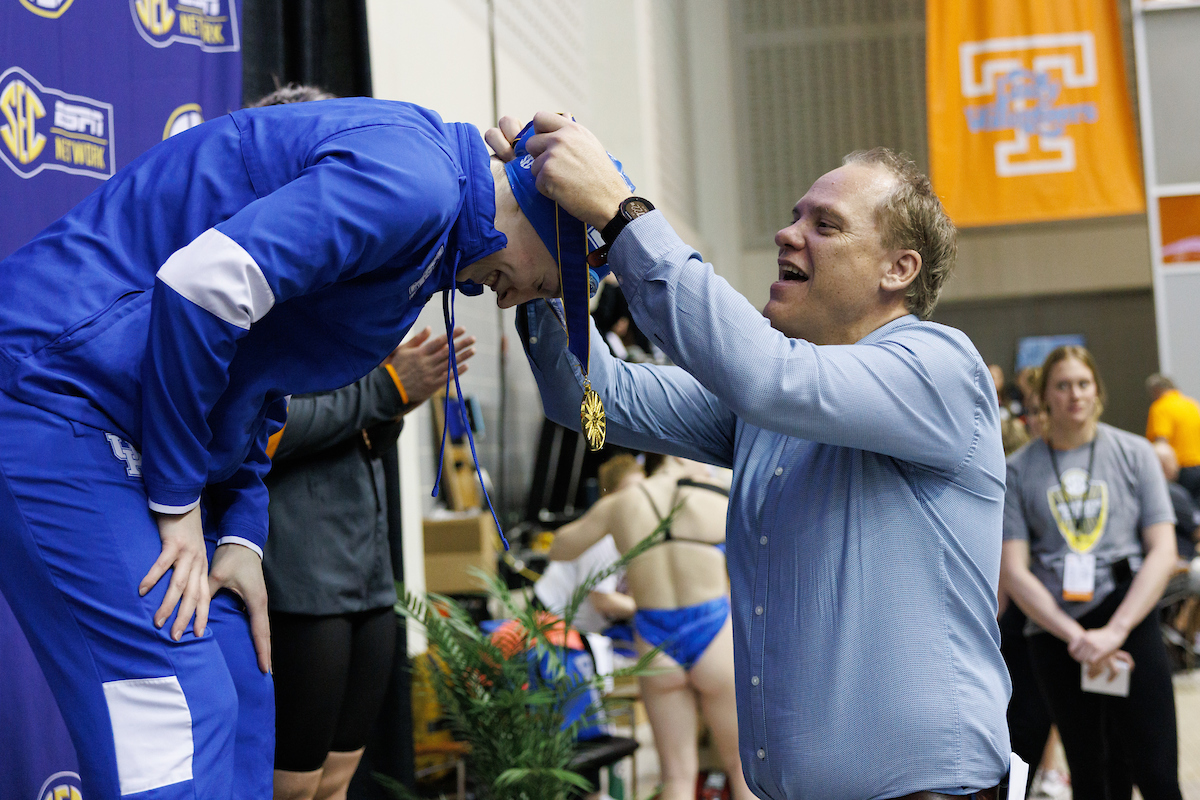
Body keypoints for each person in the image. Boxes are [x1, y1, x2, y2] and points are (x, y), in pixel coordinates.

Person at [0, 100, 608, 800]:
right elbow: (203, 288)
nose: (516, 302)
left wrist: (241, 533)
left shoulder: (434, 236)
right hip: (52, 387)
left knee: (241, 682)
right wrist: (176, 501)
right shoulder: (420, 182)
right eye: (551, 283)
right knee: (176, 706)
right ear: (548, 212)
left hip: (125, 417)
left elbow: (261, 363)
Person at [490, 113, 1011, 799]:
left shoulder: (938, 368)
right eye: (796, 216)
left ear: (899, 269)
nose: (786, 233)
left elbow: (767, 376)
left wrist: (623, 215)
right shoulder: (769, 406)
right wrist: (548, 271)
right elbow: (595, 400)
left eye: (825, 225)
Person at [266, 325, 474, 800]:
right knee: (294, 788)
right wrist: (387, 388)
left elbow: (364, 441)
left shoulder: (345, 330)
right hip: (304, 578)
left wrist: (397, 400)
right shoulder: (270, 324)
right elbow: (266, 434)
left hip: (368, 569)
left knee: (338, 779)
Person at [1001, 346, 1182, 800]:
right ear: (1044, 396)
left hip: (1127, 613)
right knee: (1092, 771)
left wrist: (1115, 631)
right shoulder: (1018, 471)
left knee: (1154, 769)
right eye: (1062, 386)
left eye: (1083, 383)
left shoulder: (1135, 454)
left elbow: (1162, 550)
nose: (1074, 395)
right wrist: (1075, 637)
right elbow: (1015, 570)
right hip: (1056, 630)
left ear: (1097, 390)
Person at [549, 456, 751, 800]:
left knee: (676, 776)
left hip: (655, 640)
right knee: (742, 771)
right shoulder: (716, 494)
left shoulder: (621, 505)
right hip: (713, 632)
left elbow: (559, 549)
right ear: (676, 454)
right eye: (704, 460)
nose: (708, 468)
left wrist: (613, 517)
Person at [1145, 373, 1200, 502]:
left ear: (1156, 390)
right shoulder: (1192, 404)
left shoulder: (1160, 407)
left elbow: (1161, 442)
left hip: (1181, 470)